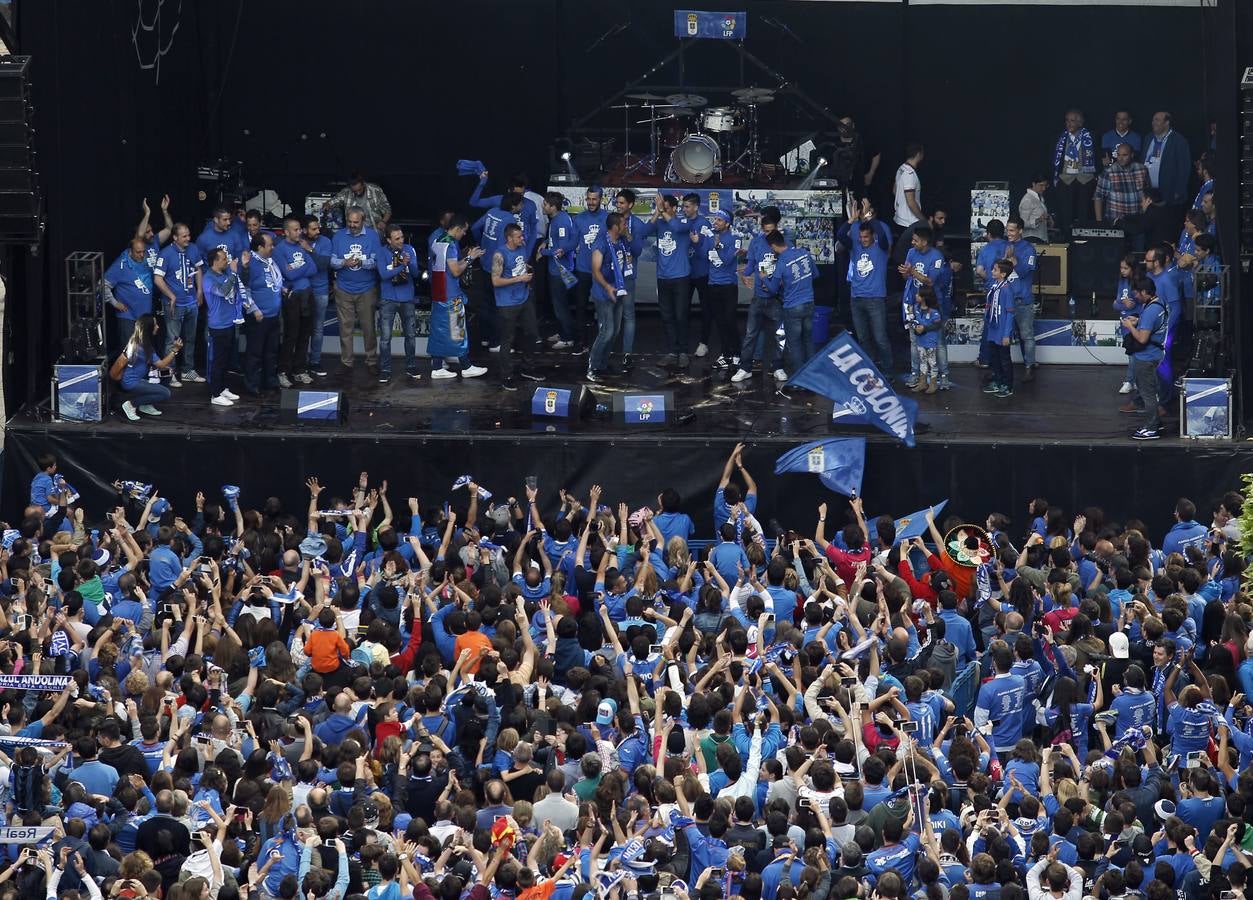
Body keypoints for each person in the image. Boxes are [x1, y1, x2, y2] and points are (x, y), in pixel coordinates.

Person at [428, 216, 487, 381]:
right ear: (458, 229)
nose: (465, 234)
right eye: (464, 230)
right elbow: (455, 271)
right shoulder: (451, 244)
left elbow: (448, 267)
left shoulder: (439, 240)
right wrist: (470, 258)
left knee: (439, 331)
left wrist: (466, 258)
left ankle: (437, 367)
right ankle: (466, 367)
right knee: (458, 329)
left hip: (439, 293)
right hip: (451, 294)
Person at [731, 209, 786, 385]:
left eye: (771, 230)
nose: (768, 234)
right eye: (765, 231)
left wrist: (779, 281)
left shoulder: (784, 241)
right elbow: (751, 265)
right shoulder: (756, 242)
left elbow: (788, 266)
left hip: (776, 298)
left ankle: (778, 367)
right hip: (759, 296)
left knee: (779, 334)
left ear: (777, 226)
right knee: (750, 334)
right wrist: (743, 274)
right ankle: (745, 368)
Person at [760, 230, 817, 393]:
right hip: (809, 302)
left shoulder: (782, 262)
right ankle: (813, 377)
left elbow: (772, 289)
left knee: (795, 343)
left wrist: (764, 277)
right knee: (808, 340)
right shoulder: (804, 253)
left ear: (773, 246)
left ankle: (800, 381)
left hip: (792, 307)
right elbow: (815, 274)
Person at [643, 192, 694, 368]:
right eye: (661, 207)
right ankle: (672, 351)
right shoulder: (659, 223)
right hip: (662, 278)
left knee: (681, 316)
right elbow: (644, 232)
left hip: (681, 277)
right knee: (667, 316)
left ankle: (683, 352)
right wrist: (657, 213)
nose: (662, 210)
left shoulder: (685, 222)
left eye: (666, 207)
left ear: (674, 208)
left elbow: (677, 228)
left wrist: (662, 211)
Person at [490, 223, 542, 391]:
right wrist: (520, 279)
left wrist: (526, 271)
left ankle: (527, 367)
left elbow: (521, 265)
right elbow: (495, 281)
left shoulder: (522, 248)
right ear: (509, 238)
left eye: (522, 235)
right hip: (507, 302)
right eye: (518, 236)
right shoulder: (499, 254)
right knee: (507, 339)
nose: (522, 238)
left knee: (532, 333)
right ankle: (506, 376)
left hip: (524, 297)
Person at [330, 206, 382, 375]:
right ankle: (346, 362)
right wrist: (344, 263)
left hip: (367, 289)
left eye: (356, 222)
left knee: (369, 327)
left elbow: (377, 262)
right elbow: (332, 261)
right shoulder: (338, 236)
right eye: (350, 222)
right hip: (343, 288)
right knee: (345, 328)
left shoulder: (373, 236)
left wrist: (361, 262)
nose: (352, 225)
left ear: (363, 221)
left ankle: (371, 361)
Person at [152, 223, 204, 387]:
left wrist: (200, 290)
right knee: (172, 340)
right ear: (175, 237)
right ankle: (170, 373)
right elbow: (157, 278)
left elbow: (198, 269)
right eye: (184, 236)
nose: (188, 238)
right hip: (173, 305)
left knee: (191, 338)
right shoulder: (166, 253)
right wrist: (171, 295)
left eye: (188, 235)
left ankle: (188, 370)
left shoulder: (193, 248)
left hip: (191, 302)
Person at [271, 215, 318, 388]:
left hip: (307, 294)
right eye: (296, 230)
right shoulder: (279, 249)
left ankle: (300, 370)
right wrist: (302, 266)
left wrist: (296, 267)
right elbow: (288, 275)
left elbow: (313, 268)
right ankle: (283, 371)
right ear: (286, 232)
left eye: (299, 229)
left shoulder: (301, 246)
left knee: (305, 334)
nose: (299, 232)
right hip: (292, 296)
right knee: (291, 335)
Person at [1119, 277, 1168, 440]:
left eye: (1137, 293)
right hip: (1156, 355)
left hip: (1146, 358)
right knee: (1152, 392)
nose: (1135, 297)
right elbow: (1153, 323)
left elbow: (1142, 338)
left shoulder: (1150, 311)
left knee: (1148, 394)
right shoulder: (1159, 303)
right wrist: (1139, 320)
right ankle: (1156, 423)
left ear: (1145, 292)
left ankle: (1151, 428)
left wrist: (1130, 326)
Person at [897, 226, 945, 389]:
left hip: (932, 303)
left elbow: (930, 281)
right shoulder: (911, 252)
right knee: (914, 340)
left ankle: (943, 376)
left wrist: (912, 271)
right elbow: (906, 277)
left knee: (937, 342)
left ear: (924, 242)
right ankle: (916, 374)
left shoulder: (936, 256)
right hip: (913, 302)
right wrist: (905, 272)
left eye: (915, 240)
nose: (912, 242)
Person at [844, 214, 892, 373]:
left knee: (880, 338)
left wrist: (870, 218)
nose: (863, 240)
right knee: (863, 338)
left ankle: (887, 370)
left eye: (866, 237)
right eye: (861, 237)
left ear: (873, 236)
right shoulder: (855, 247)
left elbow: (883, 236)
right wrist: (850, 221)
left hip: (875, 299)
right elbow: (841, 236)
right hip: (856, 298)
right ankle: (870, 369)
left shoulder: (881, 248)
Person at [109, 314, 179, 421]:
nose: (158, 327)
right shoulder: (141, 347)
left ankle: (145, 404)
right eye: (155, 325)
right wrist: (175, 350)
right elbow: (161, 364)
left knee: (168, 373)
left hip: (140, 378)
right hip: (131, 382)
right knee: (165, 393)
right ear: (148, 328)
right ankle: (131, 404)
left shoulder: (139, 342)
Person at [201, 247, 247, 408]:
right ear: (215, 261)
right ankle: (215, 394)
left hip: (229, 322)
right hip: (218, 325)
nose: (227, 261)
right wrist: (233, 273)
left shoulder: (225, 274)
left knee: (227, 359)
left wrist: (241, 268)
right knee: (218, 361)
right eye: (223, 258)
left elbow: (237, 287)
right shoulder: (208, 278)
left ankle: (222, 388)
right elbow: (223, 292)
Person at [376, 224, 422, 384]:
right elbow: (383, 275)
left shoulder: (409, 249)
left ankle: (411, 366)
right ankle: (385, 369)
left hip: (407, 298)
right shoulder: (381, 252)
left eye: (402, 237)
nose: (401, 240)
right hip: (388, 298)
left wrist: (409, 263)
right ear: (389, 240)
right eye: (397, 239)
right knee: (385, 337)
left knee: (410, 335)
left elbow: (415, 274)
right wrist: (402, 265)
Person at [699, 208, 744, 370]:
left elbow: (727, 260)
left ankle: (737, 354)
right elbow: (703, 255)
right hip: (713, 284)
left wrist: (718, 246)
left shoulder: (735, 238)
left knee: (730, 320)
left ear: (727, 223)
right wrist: (699, 241)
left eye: (719, 220)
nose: (715, 222)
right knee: (720, 322)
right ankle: (726, 354)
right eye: (715, 219)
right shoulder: (710, 236)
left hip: (728, 285)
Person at [587, 212, 627, 384]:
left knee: (615, 331)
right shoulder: (601, 243)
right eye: (623, 224)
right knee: (606, 331)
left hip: (618, 292)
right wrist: (607, 287)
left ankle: (602, 364)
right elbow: (595, 270)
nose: (626, 226)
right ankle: (592, 367)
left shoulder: (620, 242)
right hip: (604, 294)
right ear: (615, 227)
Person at [241, 231, 283, 396]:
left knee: (271, 352)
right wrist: (254, 310)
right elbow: (243, 289)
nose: (273, 247)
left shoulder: (270, 260)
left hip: (273, 315)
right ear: (260, 247)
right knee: (255, 353)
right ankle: (252, 385)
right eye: (270, 245)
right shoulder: (250, 264)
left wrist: (283, 288)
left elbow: (273, 281)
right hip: (259, 317)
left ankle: (270, 382)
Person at [102, 239, 156, 356]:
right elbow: (103, 285)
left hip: (145, 315)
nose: (142, 255)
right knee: (128, 351)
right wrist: (115, 303)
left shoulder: (147, 261)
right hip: (128, 316)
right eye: (138, 252)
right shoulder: (120, 265)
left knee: (144, 350)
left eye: (143, 251)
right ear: (130, 251)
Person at [572, 186, 609, 353]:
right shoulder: (579, 218)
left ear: (601, 199)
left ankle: (603, 344)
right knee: (580, 307)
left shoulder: (608, 218)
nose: (591, 202)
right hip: (583, 270)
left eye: (594, 199)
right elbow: (572, 242)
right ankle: (581, 342)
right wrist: (548, 245)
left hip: (602, 271)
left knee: (603, 309)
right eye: (589, 199)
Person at [538, 191, 577, 350]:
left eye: (545, 204)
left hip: (560, 271)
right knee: (558, 305)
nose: (543, 206)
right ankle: (562, 333)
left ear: (553, 207)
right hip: (556, 269)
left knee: (561, 306)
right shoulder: (557, 218)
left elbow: (560, 249)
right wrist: (546, 241)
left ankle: (568, 338)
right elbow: (556, 240)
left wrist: (542, 252)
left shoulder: (561, 222)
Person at [1050, 109, 1098, 237]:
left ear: (1080, 122)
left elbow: (1098, 157)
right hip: (1065, 179)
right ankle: (1066, 239)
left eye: (1072, 120)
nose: (1069, 123)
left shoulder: (1091, 137)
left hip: (1085, 179)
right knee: (1066, 214)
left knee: (1084, 213)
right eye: (1067, 120)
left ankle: (1084, 240)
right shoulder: (1060, 138)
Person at [613, 189, 646, 368]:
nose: (618, 206)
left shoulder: (637, 224)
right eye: (617, 202)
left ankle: (627, 353)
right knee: (609, 314)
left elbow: (638, 251)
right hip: (611, 275)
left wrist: (627, 235)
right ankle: (607, 349)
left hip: (627, 276)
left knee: (628, 315)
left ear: (630, 205)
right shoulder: (611, 220)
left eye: (622, 203)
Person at [681, 193, 715, 359]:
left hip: (702, 273)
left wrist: (697, 242)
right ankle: (682, 344)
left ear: (696, 207)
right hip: (685, 273)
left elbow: (708, 251)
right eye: (683, 206)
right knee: (682, 309)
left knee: (706, 309)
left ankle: (704, 343)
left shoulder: (704, 224)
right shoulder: (682, 222)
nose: (684, 209)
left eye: (687, 206)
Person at [1003, 217, 1037, 382]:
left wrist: (1014, 261)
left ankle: (1029, 367)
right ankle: (1003, 369)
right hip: (1006, 299)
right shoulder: (1004, 246)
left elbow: (1025, 272)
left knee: (1026, 335)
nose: (1008, 233)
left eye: (1012, 230)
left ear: (1020, 231)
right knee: (1003, 336)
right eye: (1007, 230)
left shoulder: (1029, 249)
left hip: (1022, 300)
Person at [300, 215, 334, 377]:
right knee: (300, 328)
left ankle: (315, 362)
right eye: (313, 229)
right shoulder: (297, 241)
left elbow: (323, 264)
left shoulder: (325, 241)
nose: (318, 231)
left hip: (320, 290)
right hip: (302, 290)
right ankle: (299, 362)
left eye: (318, 228)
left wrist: (310, 250)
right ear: (304, 230)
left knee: (318, 328)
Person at [1144, 112, 1192, 214]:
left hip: (1169, 197)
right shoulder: (1148, 138)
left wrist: (1178, 192)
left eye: (1157, 120)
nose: (1153, 122)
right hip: (1149, 195)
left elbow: (1184, 169)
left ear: (1167, 123)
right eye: (1153, 120)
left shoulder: (1179, 141)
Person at [983, 259, 1016, 399]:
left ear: (1003, 274)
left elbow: (1010, 313)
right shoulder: (994, 287)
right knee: (994, 358)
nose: (992, 271)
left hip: (1002, 331)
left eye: (995, 269)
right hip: (993, 328)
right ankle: (997, 381)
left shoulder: (1007, 290)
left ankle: (1007, 385)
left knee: (1004, 360)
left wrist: (1007, 334)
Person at [1093, 143, 1149, 224]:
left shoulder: (1142, 169)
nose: (1120, 158)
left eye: (1124, 155)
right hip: (1116, 221)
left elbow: (1147, 193)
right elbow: (1098, 197)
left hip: (1138, 219)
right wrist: (1099, 222)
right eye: (1118, 155)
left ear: (1132, 155)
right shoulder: (1108, 172)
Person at [325, 171, 391, 232]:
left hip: (374, 229)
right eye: (355, 191)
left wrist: (383, 221)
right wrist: (327, 205)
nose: (358, 193)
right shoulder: (346, 192)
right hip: (353, 231)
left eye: (359, 190)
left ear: (363, 184)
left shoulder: (375, 191)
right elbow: (332, 202)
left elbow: (387, 210)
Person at [1113, 254, 1140, 395]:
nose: (1122, 271)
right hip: (1123, 322)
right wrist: (1122, 303)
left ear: (1133, 268)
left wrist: (1122, 303)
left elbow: (1133, 305)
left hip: (1134, 322)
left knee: (1132, 354)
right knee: (1131, 353)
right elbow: (1115, 304)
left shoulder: (1138, 283)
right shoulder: (1122, 281)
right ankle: (1133, 381)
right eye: (1121, 268)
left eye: (1126, 268)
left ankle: (1129, 381)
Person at [912, 286, 943, 395]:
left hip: (930, 341)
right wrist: (916, 329)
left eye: (918, 294)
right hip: (920, 340)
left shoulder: (934, 311)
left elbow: (937, 325)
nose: (916, 296)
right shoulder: (916, 308)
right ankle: (922, 382)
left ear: (924, 297)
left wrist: (924, 328)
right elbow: (914, 321)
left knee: (932, 362)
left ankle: (933, 383)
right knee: (922, 361)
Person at [892, 141, 924, 232]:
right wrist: (923, 220)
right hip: (909, 223)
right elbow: (911, 202)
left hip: (899, 219)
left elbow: (894, 191)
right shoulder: (910, 174)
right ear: (918, 154)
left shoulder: (901, 168)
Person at [134, 195, 173, 269]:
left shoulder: (155, 240)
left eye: (151, 230)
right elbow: (140, 235)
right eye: (147, 232)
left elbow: (169, 229)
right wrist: (147, 213)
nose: (152, 234)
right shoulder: (136, 244)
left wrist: (165, 211)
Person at [1019, 174, 1052, 242]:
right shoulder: (1028, 200)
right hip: (1030, 240)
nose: (1044, 188)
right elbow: (1022, 223)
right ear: (1033, 184)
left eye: (1045, 186)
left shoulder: (1040, 198)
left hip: (1041, 239)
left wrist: (1048, 220)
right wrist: (1038, 220)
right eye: (1041, 185)